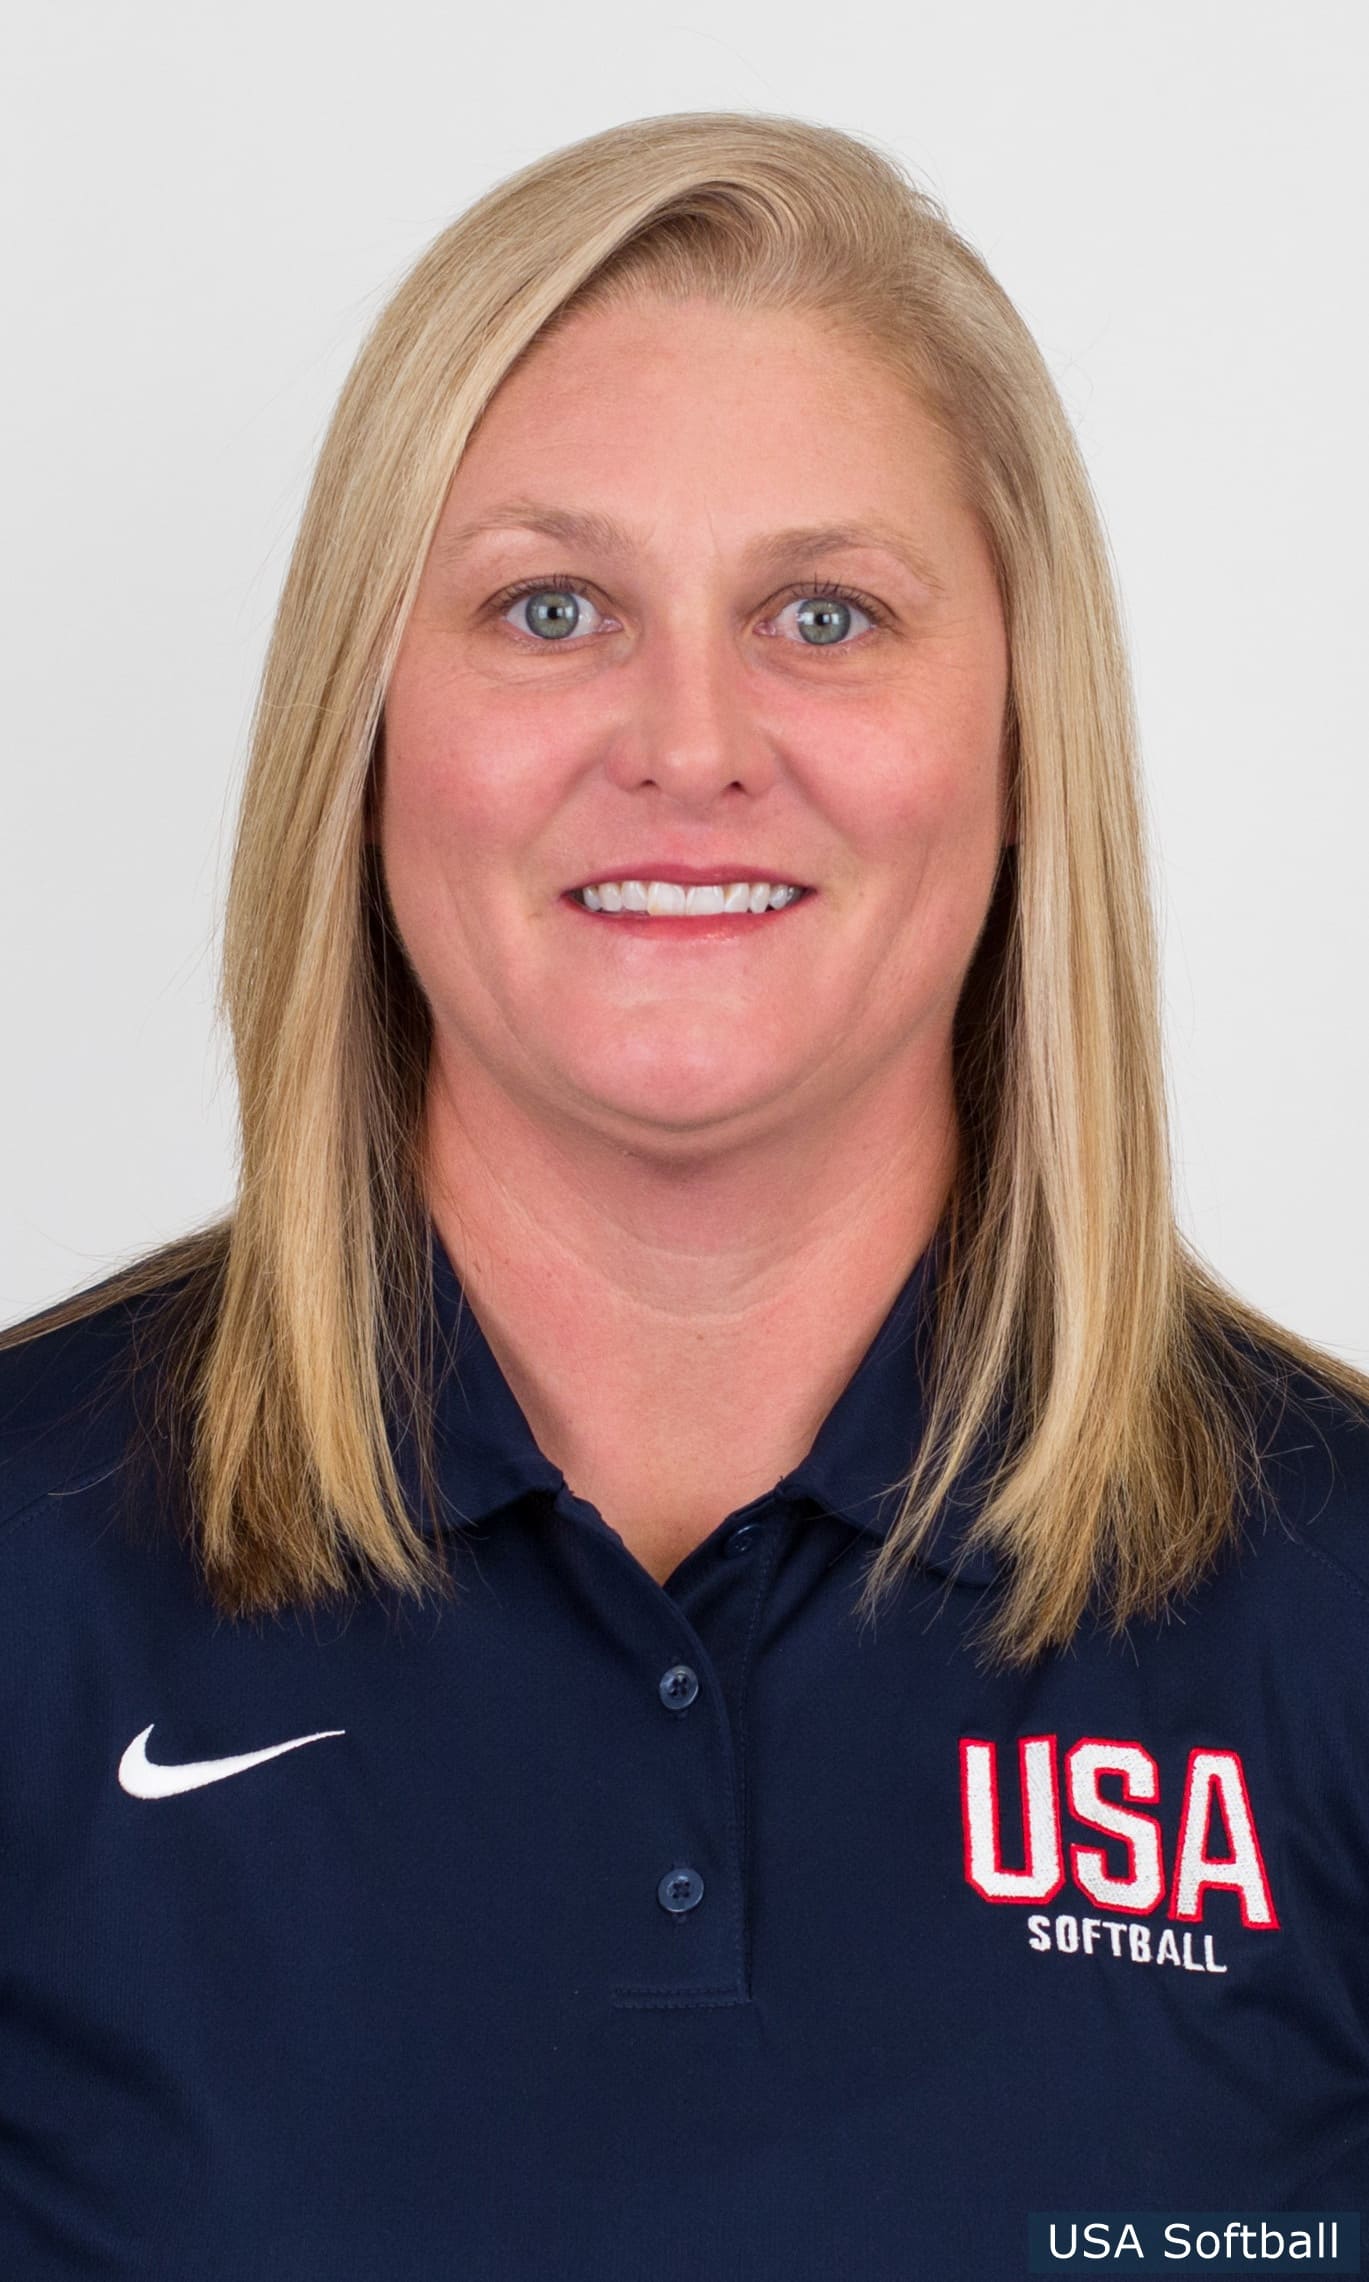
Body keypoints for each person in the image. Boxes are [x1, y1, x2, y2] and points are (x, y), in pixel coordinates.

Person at [1, 109, 1366, 2280]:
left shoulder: (1331, 1604)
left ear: (1022, 739)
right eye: (550, 608)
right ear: (363, 727)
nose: (692, 739)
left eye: (827, 613)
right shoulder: (34, 1572)